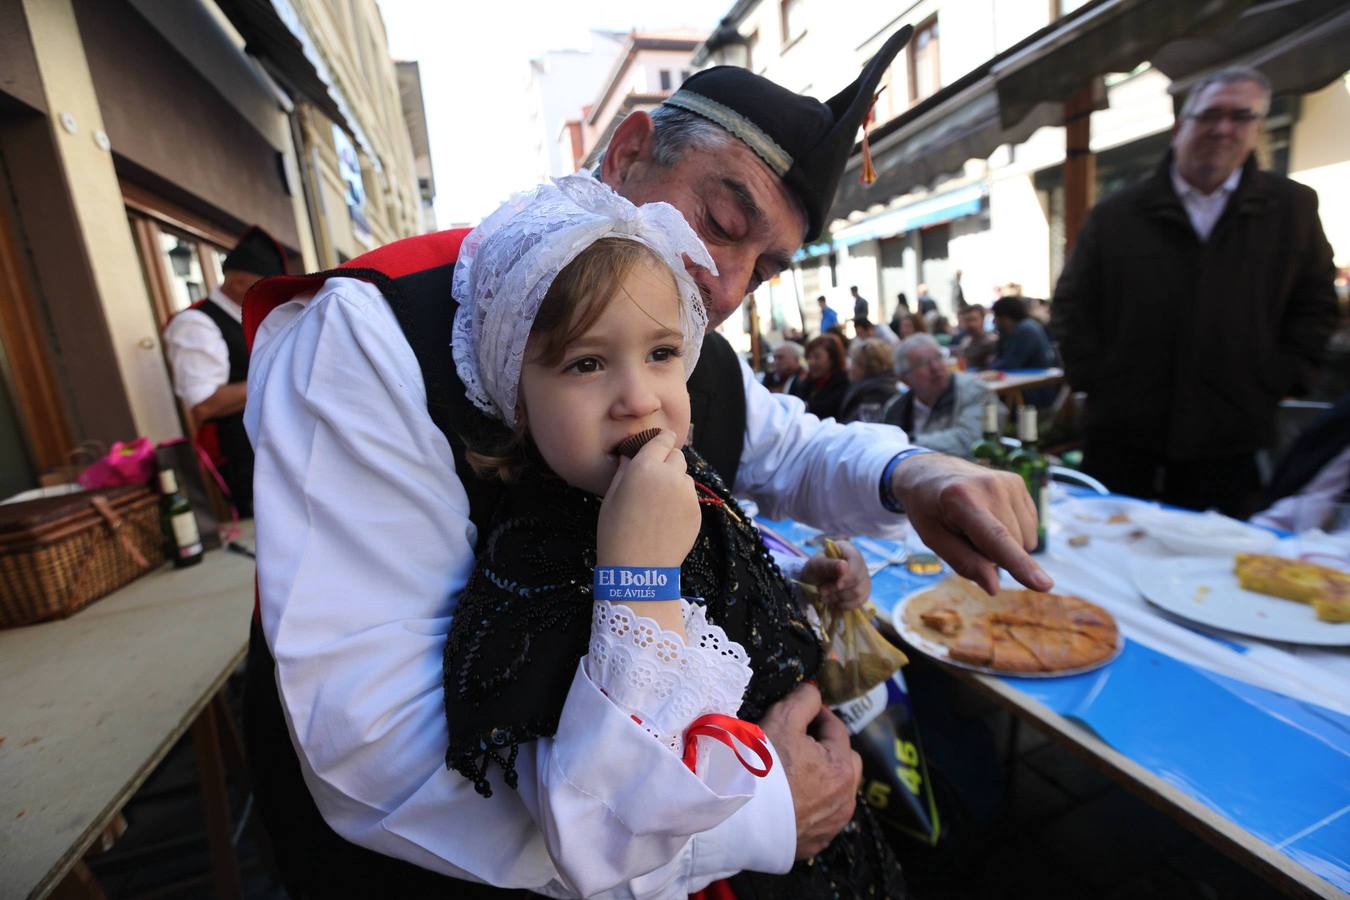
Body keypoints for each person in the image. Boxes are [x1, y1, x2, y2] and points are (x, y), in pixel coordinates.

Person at [243, 25, 1047, 896]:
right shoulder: (371, 336)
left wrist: (914, 474)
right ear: (627, 154)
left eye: (766, 268)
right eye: (719, 222)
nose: (728, 285)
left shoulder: (683, 344)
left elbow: (787, 442)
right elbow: (375, 751)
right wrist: (755, 816)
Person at [439, 175, 901, 896]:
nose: (639, 397)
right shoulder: (531, 560)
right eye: (587, 364)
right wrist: (639, 575)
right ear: (517, 397)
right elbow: (604, 825)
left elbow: (722, 580)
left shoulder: (684, 474)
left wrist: (795, 579)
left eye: (661, 354)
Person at [1051, 66, 1338, 516]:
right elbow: (1072, 305)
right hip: (1125, 430)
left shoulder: (1292, 208)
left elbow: (1316, 303)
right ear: (1180, 126)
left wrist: (1277, 378)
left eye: (1241, 116)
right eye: (1210, 116)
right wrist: (1098, 380)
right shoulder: (1117, 214)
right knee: (1111, 551)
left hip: (1229, 431)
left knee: (1213, 566)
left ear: (1257, 128)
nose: (1224, 129)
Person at [162, 226, 285, 516]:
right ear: (241, 282)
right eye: (267, 285)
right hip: (244, 463)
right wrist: (280, 374)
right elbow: (204, 404)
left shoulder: (256, 319)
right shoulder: (196, 323)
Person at [884, 334, 995, 457]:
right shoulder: (895, 408)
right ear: (905, 379)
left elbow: (970, 441)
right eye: (923, 363)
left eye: (938, 357)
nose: (935, 367)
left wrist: (906, 443)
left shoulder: (974, 391)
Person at [839, 337, 899, 423]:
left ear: (866, 367)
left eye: (853, 363)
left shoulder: (877, 392)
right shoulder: (877, 385)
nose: (849, 368)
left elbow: (856, 424)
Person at [798, 334, 850, 420]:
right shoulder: (808, 382)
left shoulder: (844, 383)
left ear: (833, 358)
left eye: (817, 357)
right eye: (809, 357)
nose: (811, 362)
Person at [953, 304, 996, 370]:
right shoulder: (965, 342)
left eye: (974, 319)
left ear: (983, 319)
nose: (971, 324)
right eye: (967, 320)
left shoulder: (993, 341)